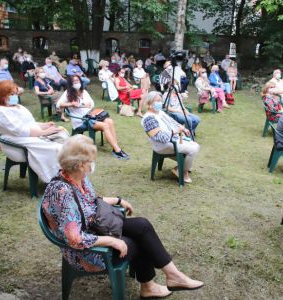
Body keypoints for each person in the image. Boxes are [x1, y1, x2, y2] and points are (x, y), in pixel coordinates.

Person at [42, 134, 203, 299]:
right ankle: (149, 287)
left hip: (94, 228)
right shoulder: (61, 192)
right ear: (81, 164)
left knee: (142, 225)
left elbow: (89, 202)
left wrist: (118, 200)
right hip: (84, 251)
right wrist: (112, 241)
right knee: (138, 242)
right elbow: (74, 239)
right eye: (91, 161)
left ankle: (173, 275)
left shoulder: (77, 177)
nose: (93, 165)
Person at [0, 80, 65, 183]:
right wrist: (45, 132)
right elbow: (20, 130)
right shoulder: (1, 111)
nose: (15, 96)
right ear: (2, 96)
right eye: (11, 94)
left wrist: (45, 125)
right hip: (15, 141)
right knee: (56, 147)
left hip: (27, 136)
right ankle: (55, 178)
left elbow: (30, 123)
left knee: (62, 135)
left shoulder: (18, 107)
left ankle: (65, 174)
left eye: (15, 94)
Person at [57, 75, 130, 160]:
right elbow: (58, 105)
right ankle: (118, 151)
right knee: (105, 125)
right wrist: (71, 104)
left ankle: (115, 147)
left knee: (109, 121)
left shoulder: (83, 91)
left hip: (91, 115)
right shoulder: (68, 93)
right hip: (81, 120)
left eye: (78, 80)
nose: (77, 82)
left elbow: (91, 103)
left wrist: (84, 105)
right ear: (70, 83)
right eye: (74, 81)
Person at [142, 91, 200, 183]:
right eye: (157, 101)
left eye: (160, 101)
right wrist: (176, 131)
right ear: (149, 103)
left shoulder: (159, 112)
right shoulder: (148, 119)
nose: (160, 103)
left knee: (194, 145)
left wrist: (183, 129)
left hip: (172, 140)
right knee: (193, 148)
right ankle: (181, 171)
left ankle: (181, 167)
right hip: (162, 145)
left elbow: (172, 121)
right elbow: (161, 138)